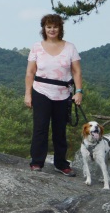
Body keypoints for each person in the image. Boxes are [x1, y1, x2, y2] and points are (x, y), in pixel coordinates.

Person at [25, 13, 83, 175]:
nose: (52, 30)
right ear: (44, 29)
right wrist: (28, 94)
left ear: (60, 28)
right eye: (49, 27)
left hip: (63, 93)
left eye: (55, 27)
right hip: (41, 90)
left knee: (60, 129)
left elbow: (77, 71)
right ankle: (37, 162)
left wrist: (78, 91)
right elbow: (30, 72)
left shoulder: (70, 47)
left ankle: (61, 163)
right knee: (40, 128)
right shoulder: (37, 47)